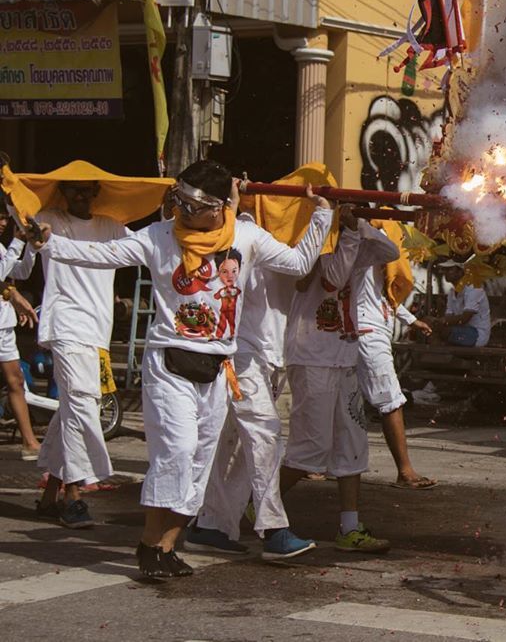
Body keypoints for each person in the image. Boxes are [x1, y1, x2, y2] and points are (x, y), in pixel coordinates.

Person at [33, 160, 332, 578]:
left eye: (194, 206)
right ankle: (147, 546)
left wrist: (322, 214)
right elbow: (99, 254)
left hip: (218, 368)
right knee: (176, 453)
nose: (184, 213)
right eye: (179, 202)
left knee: (197, 463)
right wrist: (47, 244)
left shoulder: (246, 236)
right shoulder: (159, 236)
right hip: (169, 364)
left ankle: (166, 546)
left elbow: (299, 264)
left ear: (220, 207)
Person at [187, 206, 317, 560]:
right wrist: (321, 213)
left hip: (267, 357)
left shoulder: (281, 240)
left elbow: (304, 270)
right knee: (265, 436)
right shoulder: (246, 232)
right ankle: (273, 528)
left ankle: (212, 524)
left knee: (235, 447)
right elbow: (301, 265)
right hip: (242, 355)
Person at [279, 205, 399, 553]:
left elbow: (390, 252)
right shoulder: (303, 252)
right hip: (312, 359)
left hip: (344, 357)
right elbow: (332, 277)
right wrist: (345, 233)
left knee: (352, 445)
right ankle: (258, 503)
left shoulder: (353, 247)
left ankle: (350, 527)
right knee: (311, 448)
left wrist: (359, 224)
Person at [19, 181, 130, 528]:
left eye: (88, 190)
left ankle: (50, 496)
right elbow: (28, 242)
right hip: (66, 326)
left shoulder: (111, 227)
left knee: (72, 407)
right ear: (63, 193)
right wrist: (29, 230)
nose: (81, 196)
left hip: (97, 331)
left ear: (98, 192)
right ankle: (74, 495)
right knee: (83, 404)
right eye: (74, 190)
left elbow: (147, 248)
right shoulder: (50, 218)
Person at [335, 216, 434, 490]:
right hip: (367, 332)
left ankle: (327, 465)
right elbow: (387, 258)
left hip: (366, 329)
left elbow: (383, 297)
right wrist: (373, 227)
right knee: (390, 400)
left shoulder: (367, 255)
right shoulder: (365, 251)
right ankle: (405, 471)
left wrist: (410, 320)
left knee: (348, 404)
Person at [0, 209, 41, 462]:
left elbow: (21, 272)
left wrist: (32, 248)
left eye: (4, 217)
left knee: (15, 381)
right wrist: (17, 242)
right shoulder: (7, 247)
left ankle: (29, 441)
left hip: (4, 327)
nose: (3, 222)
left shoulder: (3, 248)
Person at [427, 261, 490, 347]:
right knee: (431, 329)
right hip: (460, 330)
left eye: (450, 269)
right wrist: (436, 322)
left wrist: (440, 321)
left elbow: (465, 318)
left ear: (461, 272)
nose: (445, 272)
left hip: (477, 335)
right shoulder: (452, 293)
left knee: (441, 331)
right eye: (445, 269)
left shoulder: (474, 289)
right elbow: (449, 316)